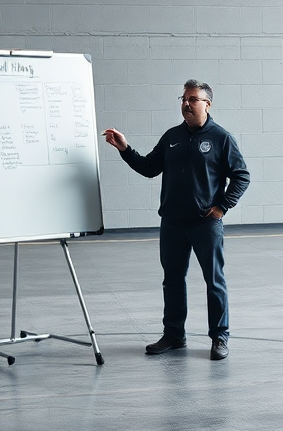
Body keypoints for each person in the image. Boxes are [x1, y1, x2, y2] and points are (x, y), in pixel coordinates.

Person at [103, 80, 250, 361]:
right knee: (172, 280)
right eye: (183, 98)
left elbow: (241, 176)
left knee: (214, 280)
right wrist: (125, 149)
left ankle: (220, 337)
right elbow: (148, 168)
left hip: (205, 224)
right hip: (172, 223)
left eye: (193, 99)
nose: (186, 103)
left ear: (207, 104)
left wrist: (222, 206)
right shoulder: (172, 136)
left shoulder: (222, 138)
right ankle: (174, 334)